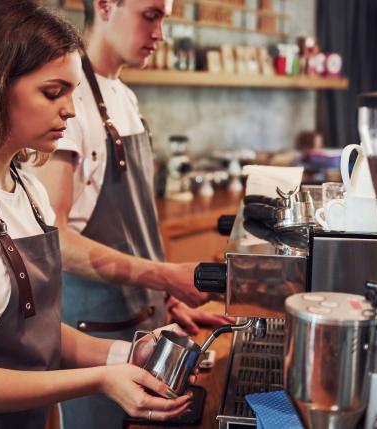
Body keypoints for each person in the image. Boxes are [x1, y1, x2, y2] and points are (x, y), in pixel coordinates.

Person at [0, 1, 194, 428]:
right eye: (53, 92)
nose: (70, 109)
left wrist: (126, 354)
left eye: (71, 91)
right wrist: (100, 380)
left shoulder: (27, 189)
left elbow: (39, 334)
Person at [23, 0, 231, 427]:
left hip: (144, 321)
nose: (160, 34)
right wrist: (165, 275)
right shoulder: (67, 102)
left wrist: (166, 299)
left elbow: (134, 223)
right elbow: (54, 238)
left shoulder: (124, 96)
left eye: (164, 20)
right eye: (150, 15)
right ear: (104, 6)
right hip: (94, 331)